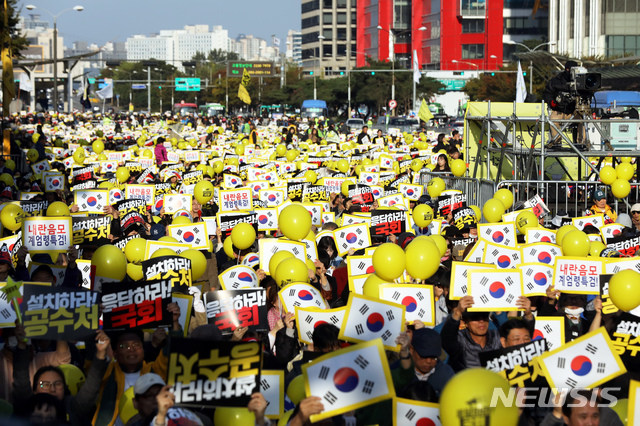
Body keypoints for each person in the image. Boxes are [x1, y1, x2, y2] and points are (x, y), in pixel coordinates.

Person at [441, 295, 534, 371]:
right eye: (475, 318)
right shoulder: (460, 338)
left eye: (484, 316)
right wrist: (457, 312)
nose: (481, 321)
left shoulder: (496, 337)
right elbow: (447, 339)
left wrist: (528, 315)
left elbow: (519, 338)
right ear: (465, 321)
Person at [543, 60, 584, 147]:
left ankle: (581, 142)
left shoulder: (580, 81)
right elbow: (547, 93)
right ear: (566, 69)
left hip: (575, 111)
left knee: (584, 120)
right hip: (560, 110)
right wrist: (552, 102)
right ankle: (557, 142)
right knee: (553, 120)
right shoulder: (555, 81)